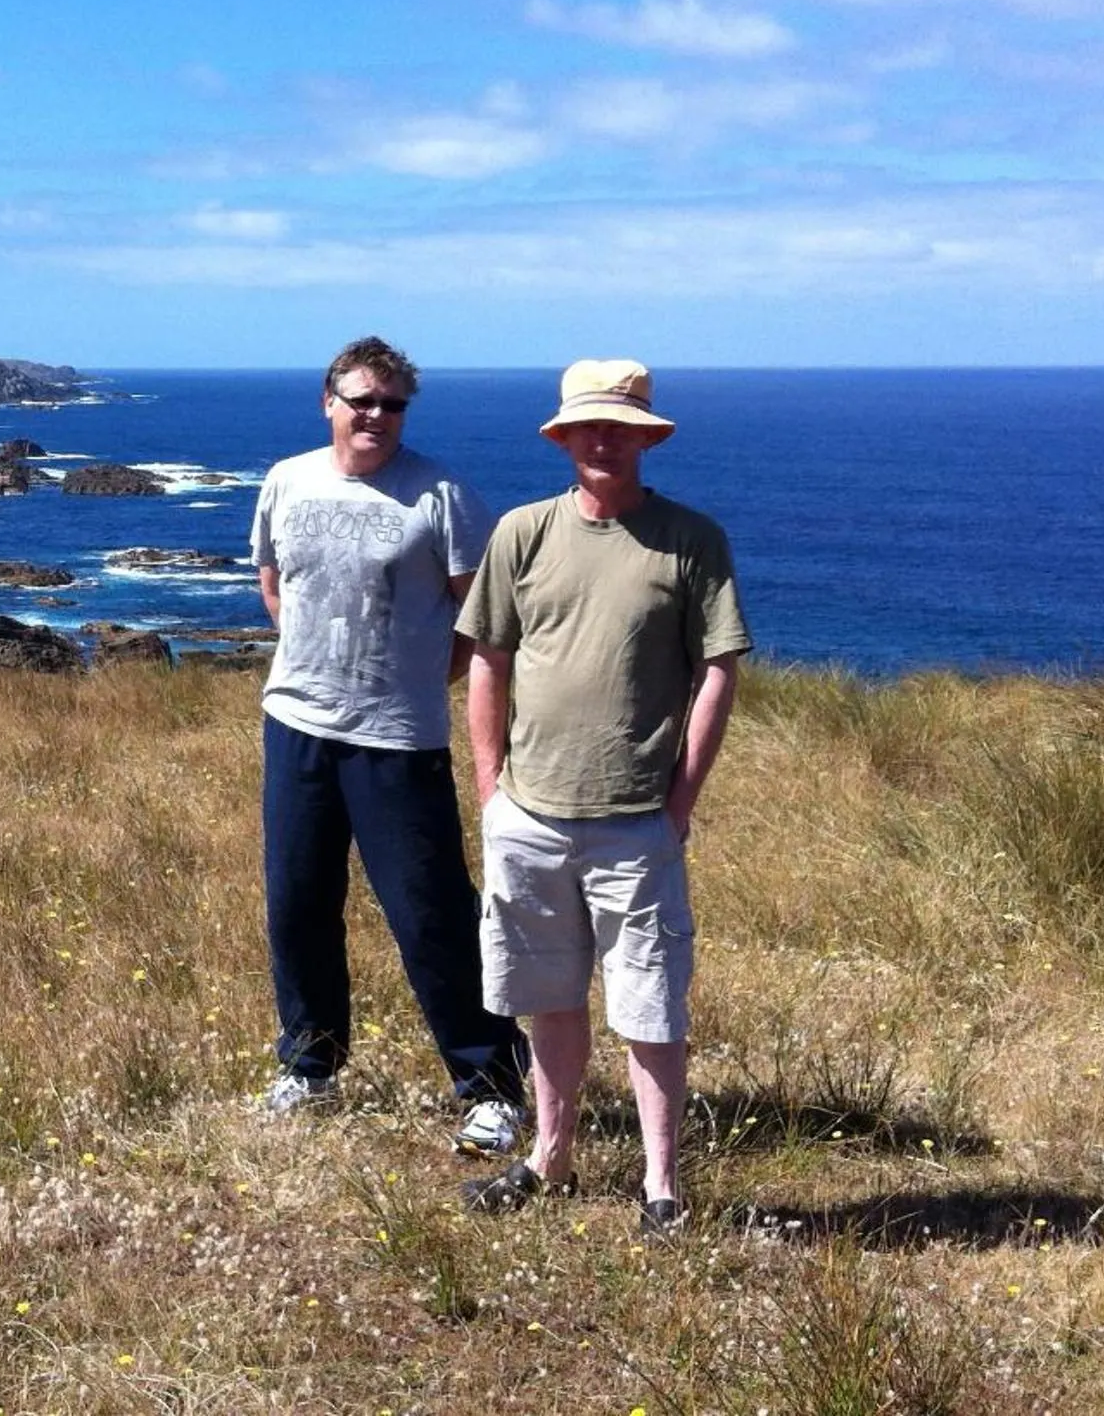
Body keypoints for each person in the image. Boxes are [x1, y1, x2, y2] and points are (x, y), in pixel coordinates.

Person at [453, 358, 749, 1233]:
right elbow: (487, 659)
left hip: (634, 825)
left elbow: (717, 671)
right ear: (565, 436)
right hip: (530, 817)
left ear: (645, 436)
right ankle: (550, 1158)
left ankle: (662, 1184)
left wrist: (681, 800)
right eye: (589, 425)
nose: (603, 439)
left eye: (620, 425)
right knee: (549, 994)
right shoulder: (523, 532)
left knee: (650, 1004)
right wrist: (489, 790)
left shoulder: (691, 540)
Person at [249, 335, 533, 1156]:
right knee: (297, 902)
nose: (377, 415)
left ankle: (489, 1081)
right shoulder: (286, 480)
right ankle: (309, 1064)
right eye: (362, 399)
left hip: (397, 737)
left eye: (393, 403)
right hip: (296, 724)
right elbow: (275, 584)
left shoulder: (439, 494)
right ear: (328, 401)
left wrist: (417, 679)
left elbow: (481, 619)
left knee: (430, 912)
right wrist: (316, 666)